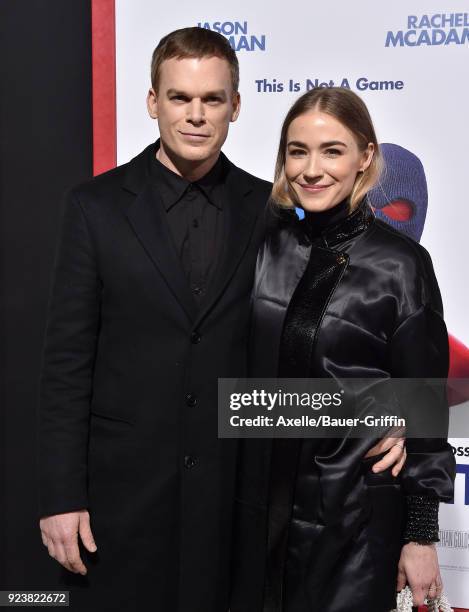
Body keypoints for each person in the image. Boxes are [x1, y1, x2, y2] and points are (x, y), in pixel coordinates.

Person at [38, 28, 405, 611]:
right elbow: (65, 365)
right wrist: (60, 495)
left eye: (212, 99)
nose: (196, 115)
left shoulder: (275, 212)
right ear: (153, 101)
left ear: (235, 106)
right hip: (121, 502)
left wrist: (397, 410)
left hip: (236, 501)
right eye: (180, 98)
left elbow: (328, 338)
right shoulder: (94, 208)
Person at [230, 88, 455, 612]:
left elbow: (425, 407)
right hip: (253, 517)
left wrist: (420, 536)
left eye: (332, 150)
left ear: (366, 158)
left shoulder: (402, 265)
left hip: (355, 527)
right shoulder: (262, 243)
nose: (312, 169)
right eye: (297, 151)